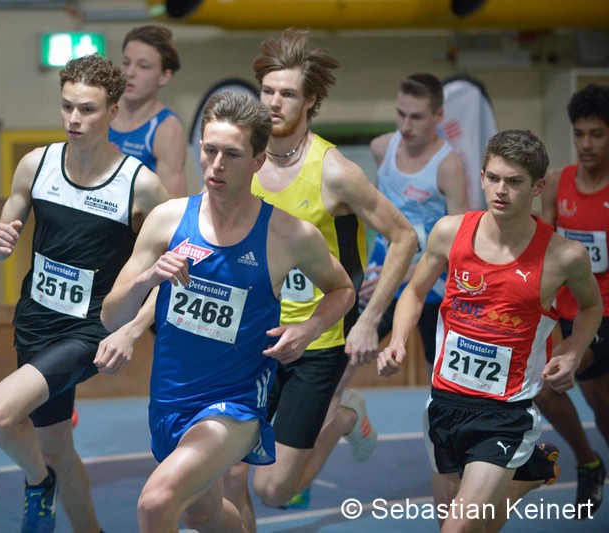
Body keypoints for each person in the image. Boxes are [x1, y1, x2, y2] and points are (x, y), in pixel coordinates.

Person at [101, 90, 355, 532]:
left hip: (235, 404)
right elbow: (110, 317)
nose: (216, 164)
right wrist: (148, 280)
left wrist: (308, 329)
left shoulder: (288, 234)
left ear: (258, 161)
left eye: (232, 155)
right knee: (204, 514)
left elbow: (343, 289)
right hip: (170, 400)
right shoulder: (166, 220)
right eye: (209, 150)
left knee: (156, 504)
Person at [224, 28, 417, 521]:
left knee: (272, 489)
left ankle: (344, 417)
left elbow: (403, 237)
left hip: (319, 341)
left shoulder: (334, 172)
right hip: (254, 336)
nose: (273, 103)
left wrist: (370, 319)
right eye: (267, 91)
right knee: (227, 471)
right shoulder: (244, 160)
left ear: (310, 100)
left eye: (287, 94)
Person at [0, 54, 168, 533]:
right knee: (58, 448)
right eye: (67, 107)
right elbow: (2, 237)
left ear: (113, 112)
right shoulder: (35, 165)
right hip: (34, 321)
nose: (74, 119)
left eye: (87, 109)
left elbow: (175, 265)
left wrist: (133, 328)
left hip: (89, 329)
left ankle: (38, 483)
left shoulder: (140, 185)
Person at [378, 129, 603, 530]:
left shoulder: (563, 256)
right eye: (494, 178)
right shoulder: (449, 232)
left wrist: (572, 351)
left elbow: (591, 307)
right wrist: (397, 340)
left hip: (505, 412)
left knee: (458, 528)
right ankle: (531, 473)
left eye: (514, 181)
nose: (501, 190)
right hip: (444, 403)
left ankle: (522, 466)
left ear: (538, 187)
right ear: (481, 177)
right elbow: (413, 291)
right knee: (474, 527)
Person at [361, 73, 469, 374]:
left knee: (441, 372)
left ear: (438, 115)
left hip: (430, 283)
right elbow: (373, 211)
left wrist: (408, 272)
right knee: (344, 359)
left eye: (417, 117)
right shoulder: (381, 148)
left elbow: (460, 245)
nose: (406, 125)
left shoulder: (449, 168)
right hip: (381, 275)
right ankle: (346, 406)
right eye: (401, 114)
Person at [536, 83, 609, 516]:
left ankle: (590, 463)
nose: (586, 143)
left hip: (604, 314)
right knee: (591, 403)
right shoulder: (559, 183)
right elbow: (544, 246)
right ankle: (589, 461)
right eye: (579, 133)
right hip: (565, 312)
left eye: (597, 134)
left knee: (556, 388)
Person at [110, 24, 187, 198]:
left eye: (143, 66)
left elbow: (173, 204)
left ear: (164, 76)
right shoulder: (101, 113)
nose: (130, 72)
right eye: (126, 63)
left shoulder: (167, 129)